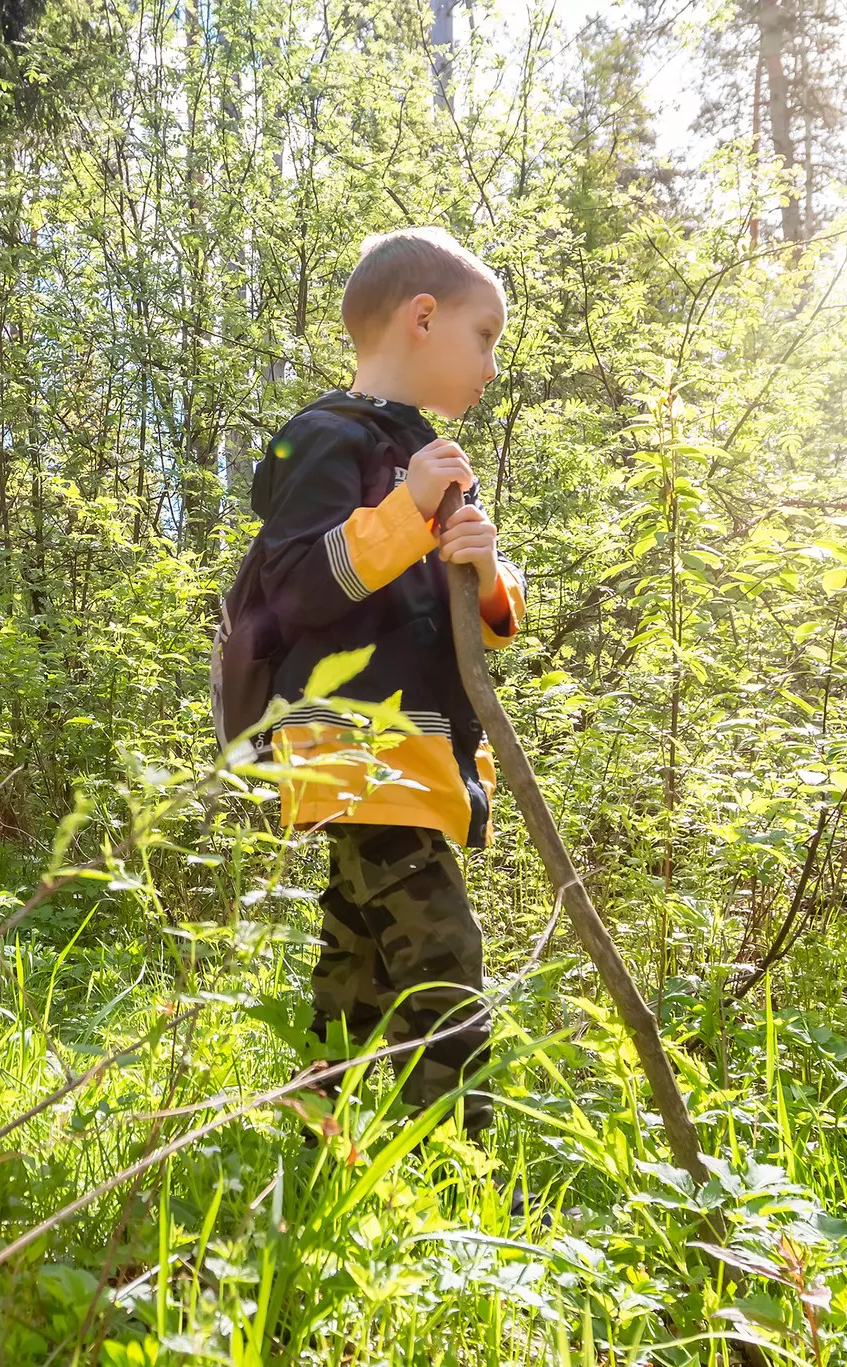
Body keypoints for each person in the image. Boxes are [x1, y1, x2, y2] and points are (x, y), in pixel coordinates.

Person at [252, 227, 527, 1129]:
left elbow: (471, 611)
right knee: (444, 958)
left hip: (417, 752)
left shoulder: (430, 455)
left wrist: (488, 576)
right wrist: (405, 508)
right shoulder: (325, 437)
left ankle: (328, 1135)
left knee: (358, 966)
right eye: (484, 335)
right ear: (422, 317)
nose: (492, 361)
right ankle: (460, 1162)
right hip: (359, 749)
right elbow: (295, 587)